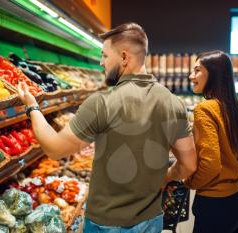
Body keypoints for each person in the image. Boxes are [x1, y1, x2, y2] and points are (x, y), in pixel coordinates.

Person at [17, 22, 197, 233]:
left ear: (124, 57)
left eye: (104, 55)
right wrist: (164, 178)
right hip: (151, 220)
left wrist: (32, 108)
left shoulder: (102, 102)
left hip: (107, 224)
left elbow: (54, 149)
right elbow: (189, 165)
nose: (102, 62)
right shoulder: (173, 103)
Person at [185, 50, 238, 233]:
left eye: (197, 70)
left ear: (213, 74)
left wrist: (189, 182)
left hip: (215, 206)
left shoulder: (205, 109)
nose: (191, 76)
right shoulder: (234, 108)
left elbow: (211, 164)